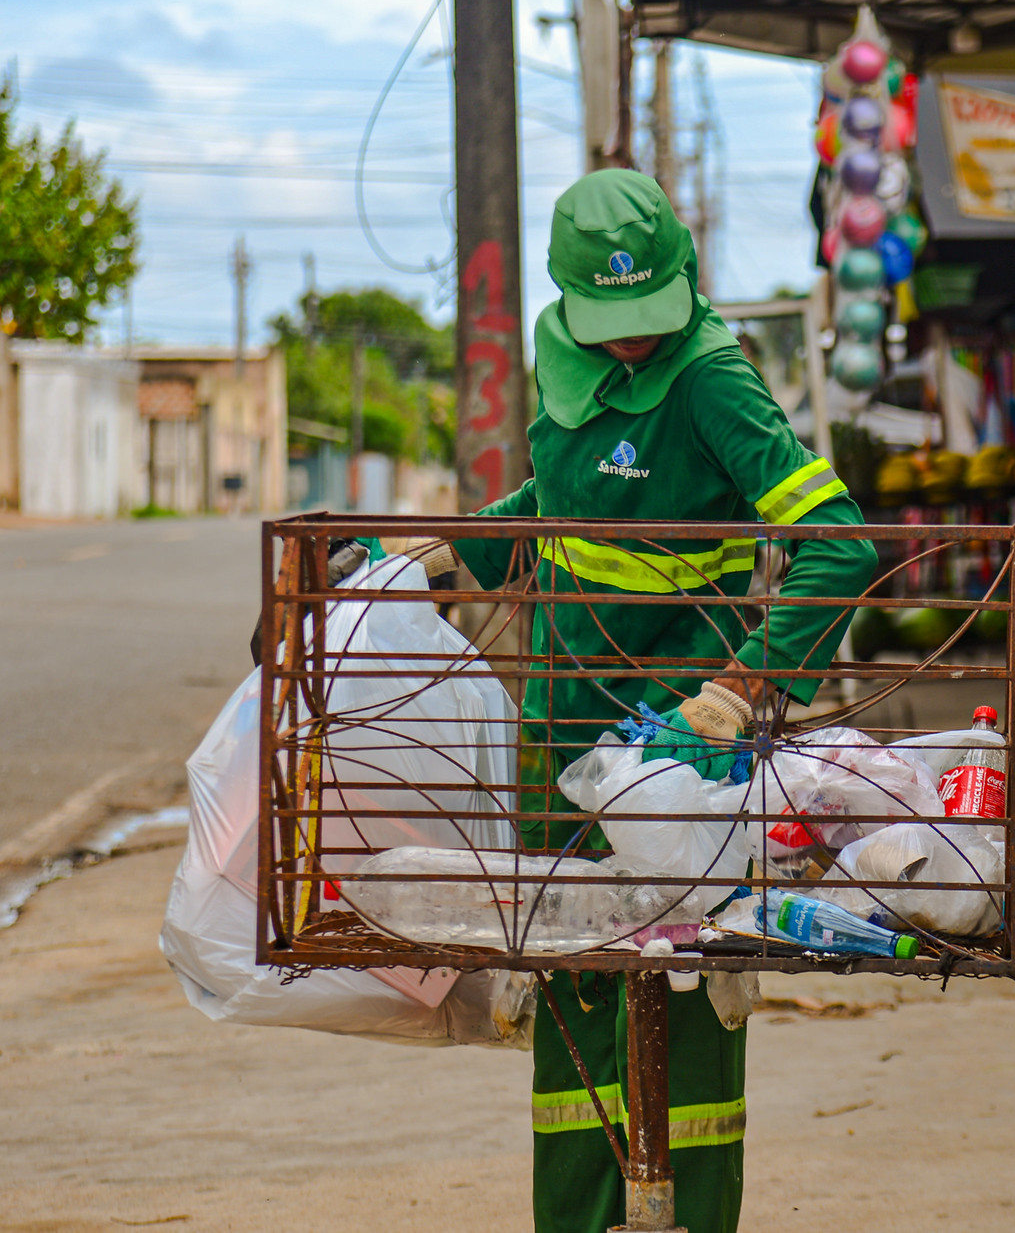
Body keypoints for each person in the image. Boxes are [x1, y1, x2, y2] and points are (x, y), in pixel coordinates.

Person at [385, 169, 876, 1233]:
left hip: (672, 748)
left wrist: (745, 681)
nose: (627, 347)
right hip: (560, 727)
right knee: (570, 986)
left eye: (642, 321)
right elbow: (559, 500)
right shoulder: (561, 360)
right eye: (607, 324)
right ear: (565, 298)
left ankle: (684, 1215)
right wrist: (436, 551)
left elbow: (835, 543)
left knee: (683, 991)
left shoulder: (711, 382)